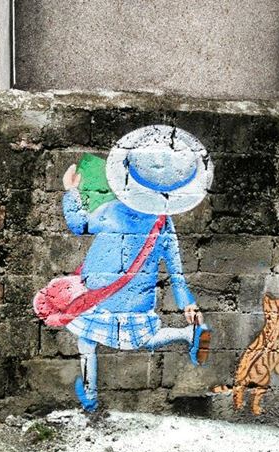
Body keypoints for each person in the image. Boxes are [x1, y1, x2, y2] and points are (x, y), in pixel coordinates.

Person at [59, 125, 214, 412]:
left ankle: (90, 396)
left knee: (86, 339)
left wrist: (71, 191)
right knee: (146, 339)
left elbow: (78, 224)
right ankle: (188, 334)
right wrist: (188, 305)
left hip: (99, 296)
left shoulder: (111, 211)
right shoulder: (164, 224)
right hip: (138, 301)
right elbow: (176, 273)